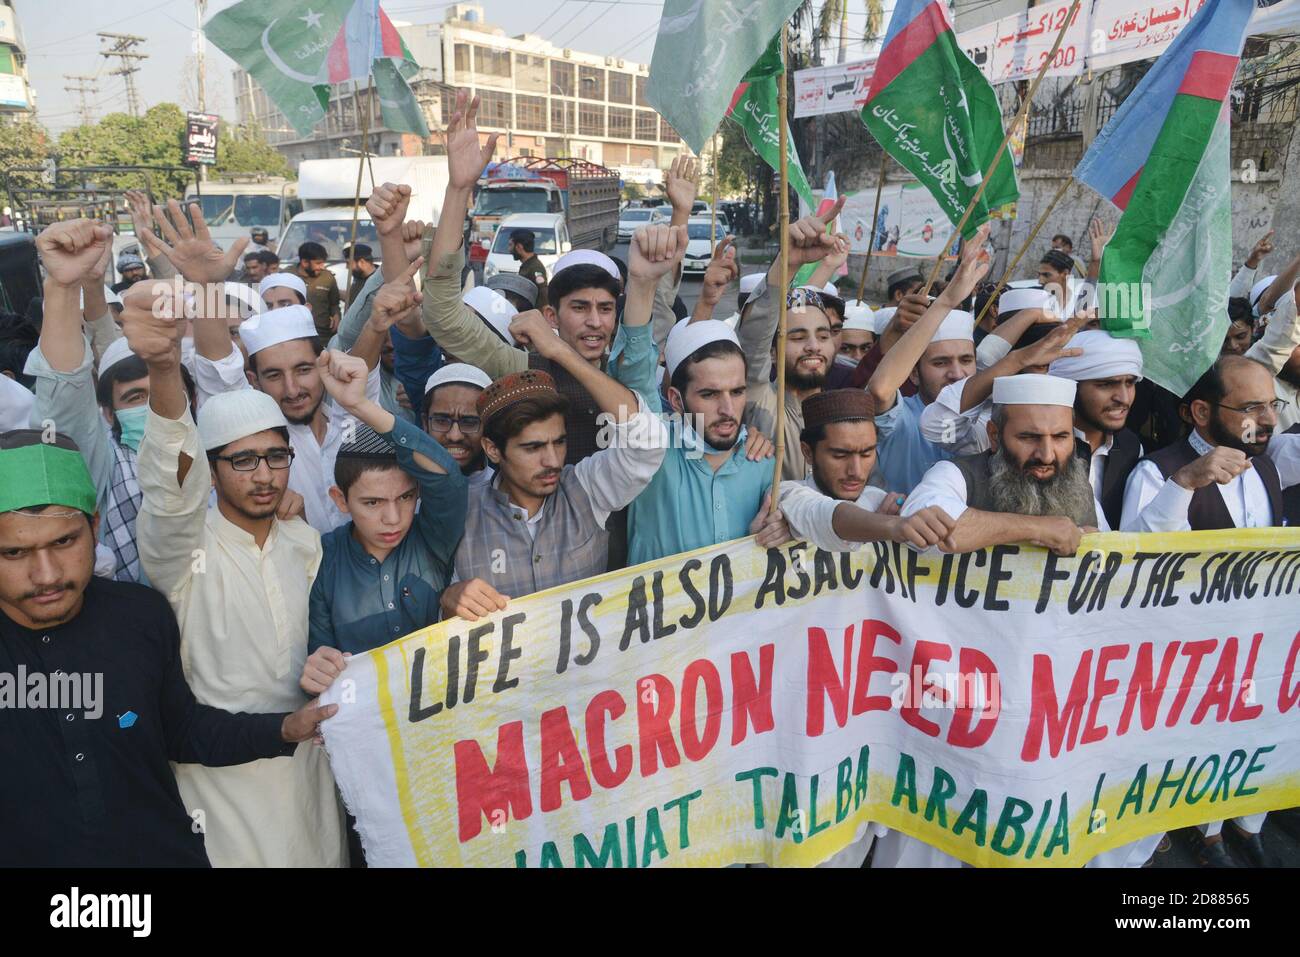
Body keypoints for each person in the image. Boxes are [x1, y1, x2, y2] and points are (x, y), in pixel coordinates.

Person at [0, 429, 332, 866]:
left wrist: (285, 728)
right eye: (15, 553)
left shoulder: (139, 617)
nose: (45, 575)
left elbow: (181, 730)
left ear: (94, 526)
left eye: (64, 542)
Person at [124, 284, 347, 868]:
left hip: (312, 771)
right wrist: (164, 369)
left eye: (276, 457)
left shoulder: (305, 543)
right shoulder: (180, 550)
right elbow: (171, 490)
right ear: (212, 469)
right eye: (242, 460)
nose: (264, 475)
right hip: (219, 785)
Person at [1120, 354, 1300, 867]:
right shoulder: (1157, 474)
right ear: (1200, 411)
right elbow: (1135, 570)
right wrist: (1186, 486)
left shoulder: (1266, 466)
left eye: (1271, 405)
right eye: (1250, 407)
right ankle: (1187, 833)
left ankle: (1230, 825)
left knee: (1243, 737)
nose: (1266, 420)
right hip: (1179, 658)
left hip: (1250, 648)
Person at [414, 92, 651, 465]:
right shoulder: (526, 370)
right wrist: (458, 189)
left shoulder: (629, 371)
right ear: (551, 316)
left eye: (605, 308)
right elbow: (442, 313)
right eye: (579, 307)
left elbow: (644, 429)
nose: (595, 321)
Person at [441, 319, 669, 619]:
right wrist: (447, 599)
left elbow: (647, 443)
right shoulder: (458, 510)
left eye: (558, 442)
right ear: (492, 449)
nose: (552, 460)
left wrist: (562, 352)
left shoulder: (586, 489)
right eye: (532, 448)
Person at [610, 224, 782, 565]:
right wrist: (642, 285)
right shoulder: (653, 451)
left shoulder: (763, 462)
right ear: (675, 400)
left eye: (737, 391)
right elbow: (635, 377)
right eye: (709, 394)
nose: (728, 408)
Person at [302, 348, 466, 658]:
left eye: (405, 497)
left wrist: (360, 405)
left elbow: (448, 479)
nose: (393, 518)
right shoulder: (322, 560)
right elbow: (321, 652)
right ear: (341, 500)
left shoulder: (432, 539)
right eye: (373, 502)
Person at [900, 373, 1094, 556]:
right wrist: (1038, 528)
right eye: (1028, 437)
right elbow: (921, 524)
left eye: (1060, 437)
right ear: (994, 435)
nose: (1046, 455)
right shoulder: (956, 474)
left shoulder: (1078, 486)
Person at [865, 226, 991, 493]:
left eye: (966, 360)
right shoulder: (900, 419)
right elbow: (879, 390)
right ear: (913, 373)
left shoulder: (989, 417)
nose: (957, 373)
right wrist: (945, 303)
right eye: (940, 363)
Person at [735, 201, 848, 480]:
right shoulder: (761, 402)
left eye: (823, 335)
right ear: (772, 352)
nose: (813, 346)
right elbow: (754, 337)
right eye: (797, 337)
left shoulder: (846, 415)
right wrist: (788, 262)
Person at [779, 389, 956, 555]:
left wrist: (910, 512)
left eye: (866, 454)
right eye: (840, 455)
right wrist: (893, 526)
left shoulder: (879, 500)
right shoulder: (785, 496)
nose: (856, 471)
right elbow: (825, 513)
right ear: (808, 452)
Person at [1047, 330, 1146, 530]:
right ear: (1070, 386)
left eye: (1130, 383)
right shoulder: (1039, 449)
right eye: (1107, 384)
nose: (1124, 398)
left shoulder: (1131, 447)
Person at [423, 362, 494, 486]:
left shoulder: (509, 491)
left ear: (488, 426)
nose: (455, 436)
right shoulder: (402, 488)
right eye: (442, 421)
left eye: (469, 423)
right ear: (425, 423)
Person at [294, 240, 341, 339]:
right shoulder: (288, 277)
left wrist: (336, 315)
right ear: (304, 262)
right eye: (318, 263)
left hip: (323, 336)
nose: (322, 267)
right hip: (295, 335)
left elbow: (334, 303)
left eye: (323, 263)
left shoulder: (328, 277)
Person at [509, 228, 548, 306]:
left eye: (510, 245)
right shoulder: (527, 266)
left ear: (519, 247)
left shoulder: (535, 268)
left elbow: (544, 296)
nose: (509, 249)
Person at [343, 243, 379, 307]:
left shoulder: (380, 282)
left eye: (348, 263)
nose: (346, 267)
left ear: (361, 262)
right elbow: (353, 297)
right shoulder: (358, 277)